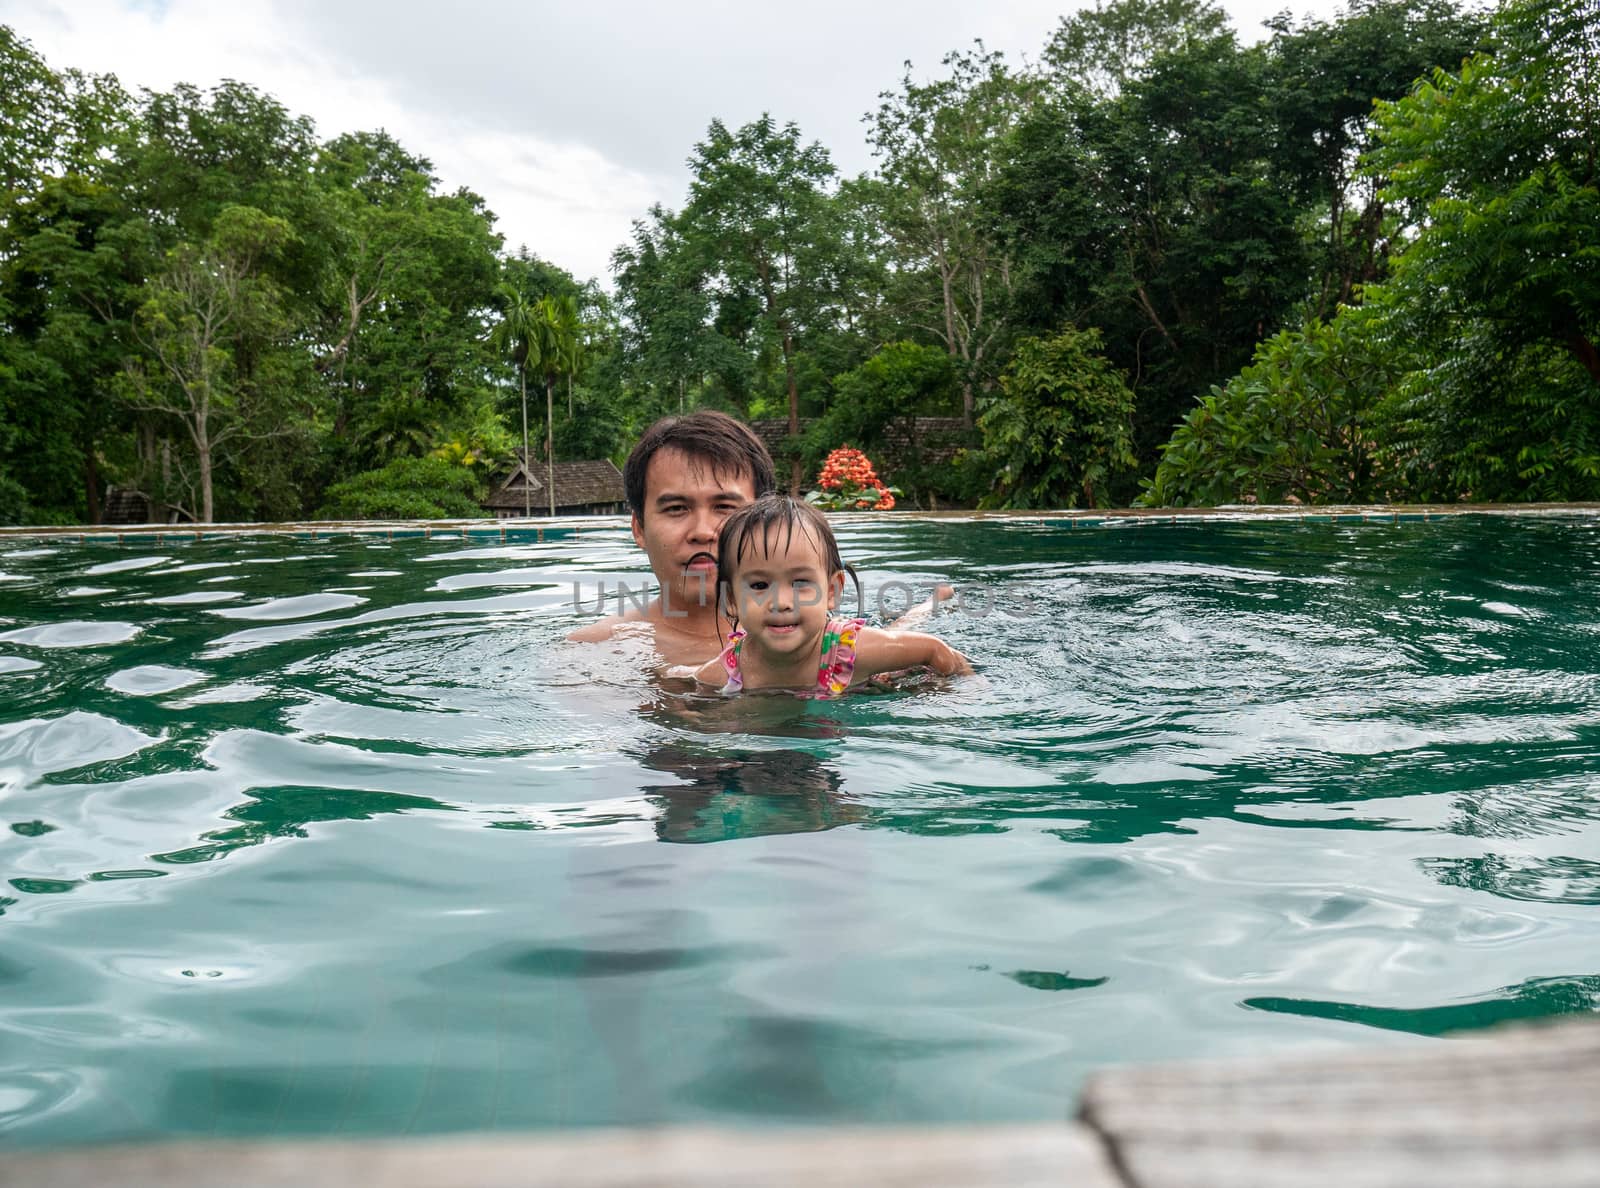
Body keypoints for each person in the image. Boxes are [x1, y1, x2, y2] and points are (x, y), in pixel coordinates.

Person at [681, 494, 970, 696]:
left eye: (800, 583)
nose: (781, 602)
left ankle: (932, 602)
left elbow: (934, 650)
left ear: (831, 591)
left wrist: (963, 692)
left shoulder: (857, 651)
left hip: (848, 653)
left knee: (899, 629)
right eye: (759, 586)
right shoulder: (723, 675)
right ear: (731, 599)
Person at [568, 410, 774, 666]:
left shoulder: (823, 645)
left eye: (725, 507)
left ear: (765, 522)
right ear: (639, 528)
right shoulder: (592, 654)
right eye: (676, 508)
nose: (702, 531)